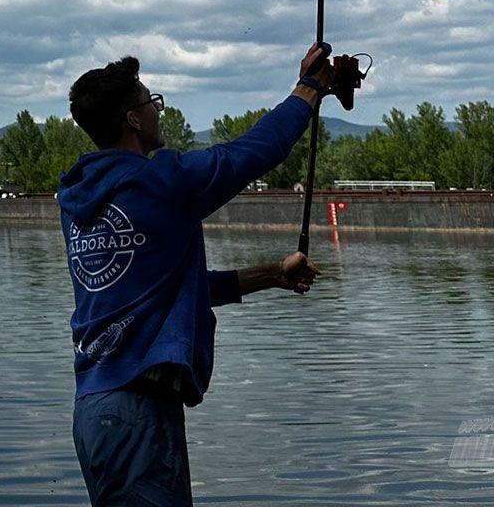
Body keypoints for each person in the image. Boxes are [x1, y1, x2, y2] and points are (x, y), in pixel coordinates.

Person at [58, 45, 342, 506]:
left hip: (94, 411)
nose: (156, 111)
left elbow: (169, 290)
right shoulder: (161, 181)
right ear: (133, 118)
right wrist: (309, 87)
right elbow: (253, 151)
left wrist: (271, 274)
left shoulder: (76, 200)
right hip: (139, 413)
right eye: (152, 102)